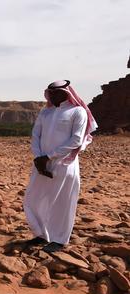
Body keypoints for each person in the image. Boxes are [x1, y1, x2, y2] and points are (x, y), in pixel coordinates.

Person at [23, 80, 97, 253]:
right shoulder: (45, 113)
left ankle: (59, 239)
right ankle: (42, 234)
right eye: (51, 93)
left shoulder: (77, 111)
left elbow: (76, 140)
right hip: (41, 163)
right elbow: (36, 135)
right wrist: (39, 157)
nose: (52, 96)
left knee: (62, 202)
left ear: (67, 93)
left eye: (56, 93)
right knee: (33, 198)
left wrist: (49, 157)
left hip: (65, 163)